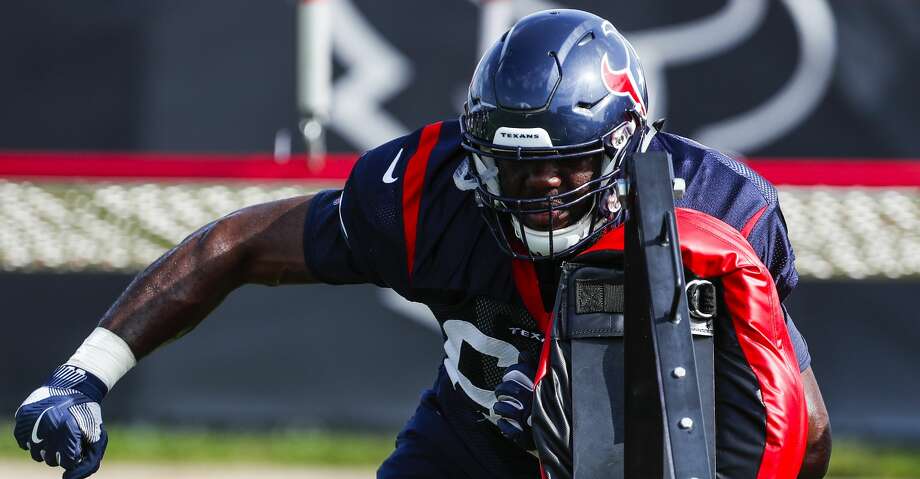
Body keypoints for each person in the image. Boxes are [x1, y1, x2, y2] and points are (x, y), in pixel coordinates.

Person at [12, 9, 830, 479]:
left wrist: (629, 438)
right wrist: (82, 373)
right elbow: (242, 243)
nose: (543, 191)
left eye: (567, 165)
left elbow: (806, 431)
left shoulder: (719, 209)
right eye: (518, 167)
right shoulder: (431, 190)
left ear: (627, 147)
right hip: (467, 451)